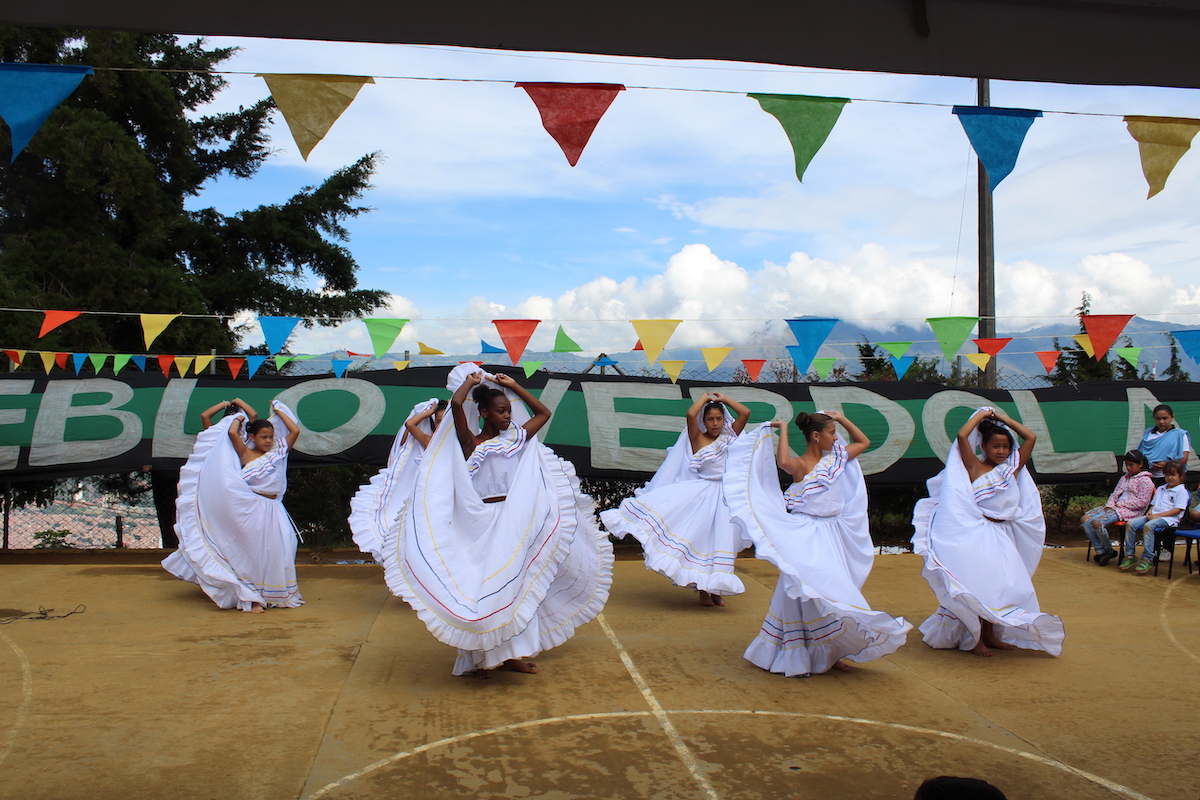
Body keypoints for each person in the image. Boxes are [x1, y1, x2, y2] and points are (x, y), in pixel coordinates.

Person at [389, 364, 613, 676]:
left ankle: (512, 655)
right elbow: (455, 405)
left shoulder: (515, 439)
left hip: (514, 520)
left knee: (517, 587)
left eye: (508, 411)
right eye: (500, 411)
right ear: (483, 413)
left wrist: (514, 387)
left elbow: (543, 413)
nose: (507, 416)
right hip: (483, 523)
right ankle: (481, 656)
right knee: (486, 589)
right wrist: (470, 383)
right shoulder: (471, 444)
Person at [722, 410, 910, 676]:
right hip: (808, 536)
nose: (836, 438)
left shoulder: (835, 460)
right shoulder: (800, 466)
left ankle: (830, 652)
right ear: (815, 436)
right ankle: (803, 651)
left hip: (832, 534)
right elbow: (784, 460)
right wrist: (782, 428)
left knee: (830, 590)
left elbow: (864, 442)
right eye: (832, 433)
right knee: (807, 589)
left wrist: (843, 419)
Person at [911, 407, 1063, 657]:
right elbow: (962, 436)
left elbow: (1031, 438)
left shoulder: (1010, 468)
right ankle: (976, 638)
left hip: (1002, 534)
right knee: (981, 586)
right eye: (995, 447)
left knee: (1001, 587)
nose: (1001, 451)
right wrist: (981, 416)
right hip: (978, 534)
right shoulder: (974, 467)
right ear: (983, 446)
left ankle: (991, 635)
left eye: (1005, 447)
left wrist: (1003, 419)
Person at [601, 392, 751, 606]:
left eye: (719, 418)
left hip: (725, 498)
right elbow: (690, 413)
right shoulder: (697, 437)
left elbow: (745, 412)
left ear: (724, 419)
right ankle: (703, 590)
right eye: (710, 419)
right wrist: (706, 398)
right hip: (701, 495)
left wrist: (724, 399)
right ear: (704, 421)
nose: (715, 423)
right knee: (701, 541)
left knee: (722, 542)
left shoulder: (730, 436)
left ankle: (717, 589)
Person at [163, 399, 304, 613]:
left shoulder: (278, 450)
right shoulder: (241, 450)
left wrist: (279, 409)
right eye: (263, 437)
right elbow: (217, 425)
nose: (267, 440)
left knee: (285, 546)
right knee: (255, 551)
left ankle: (276, 592)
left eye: (270, 437)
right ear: (252, 437)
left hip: (274, 507)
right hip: (252, 505)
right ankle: (251, 594)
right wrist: (233, 413)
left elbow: (290, 429)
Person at [348, 398, 447, 564]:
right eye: (438, 422)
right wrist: (429, 411)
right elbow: (410, 425)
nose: (441, 426)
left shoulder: (463, 441)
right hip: (427, 493)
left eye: (445, 421)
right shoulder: (430, 442)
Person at [1080, 450, 1154, 566]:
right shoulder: (1124, 478)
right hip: (1115, 508)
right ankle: (1102, 551)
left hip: (1130, 511)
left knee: (1097, 523)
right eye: (1126, 465)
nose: (1128, 468)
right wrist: (1110, 505)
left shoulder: (1146, 481)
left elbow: (1142, 502)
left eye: (1131, 465)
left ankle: (1107, 551)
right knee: (1085, 519)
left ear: (1140, 464)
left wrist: (1120, 505)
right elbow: (1114, 494)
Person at [1119, 460, 1188, 574]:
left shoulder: (1182, 491)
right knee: (1130, 524)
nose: (1170, 478)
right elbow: (1153, 505)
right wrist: (1150, 512)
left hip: (1168, 519)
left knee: (1148, 526)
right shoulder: (1161, 489)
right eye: (1167, 475)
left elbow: (1177, 510)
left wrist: (1158, 516)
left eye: (1173, 474)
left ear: (1180, 476)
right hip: (1154, 516)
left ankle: (1148, 558)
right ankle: (1130, 555)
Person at [1137, 404, 1190, 481]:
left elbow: (1184, 459)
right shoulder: (1148, 433)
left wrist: (1166, 464)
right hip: (1147, 477)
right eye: (1158, 419)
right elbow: (1140, 456)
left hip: (1170, 478)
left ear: (1172, 417)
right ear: (1154, 418)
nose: (1161, 422)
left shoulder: (1180, 434)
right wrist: (1149, 465)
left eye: (1165, 418)